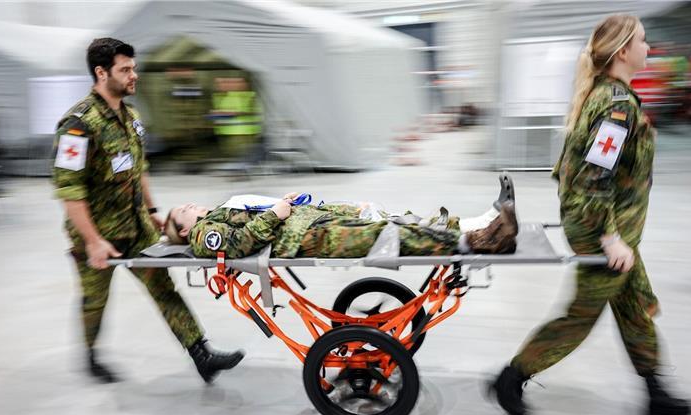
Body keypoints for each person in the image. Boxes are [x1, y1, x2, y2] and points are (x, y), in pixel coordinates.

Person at [490, 15, 691, 415]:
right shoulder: (616, 107)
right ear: (622, 52)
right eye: (643, 41)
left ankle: (656, 392)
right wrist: (609, 238)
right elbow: (594, 178)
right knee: (582, 315)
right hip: (601, 230)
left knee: (634, 305)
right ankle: (512, 376)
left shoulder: (611, 96)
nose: (649, 48)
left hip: (612, 230)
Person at [51, 38, 243, 384]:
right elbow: (70, 191)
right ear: (101, 72)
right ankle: (91, 356)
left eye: (133, 68)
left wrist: (152, 209)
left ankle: (201, 354)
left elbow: (139, 168)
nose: (133, 75)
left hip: (137, 227)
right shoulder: (78, 125)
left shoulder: (132, 117)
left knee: (163, 288)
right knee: (95, 299)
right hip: (96, 234)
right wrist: (93, 240)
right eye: (125, 70)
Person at [163, 190, 519, 260]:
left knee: (389, 219)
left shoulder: (220, 211)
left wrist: (283, 203)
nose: (190, 205)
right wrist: (276, 214)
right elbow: (238, 245)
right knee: (387, 234)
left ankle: (479, 224)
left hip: (313, 221)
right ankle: (475, 242)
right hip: (308, 237)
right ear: (183, 230)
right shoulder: (202, 234)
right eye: (184, 210)